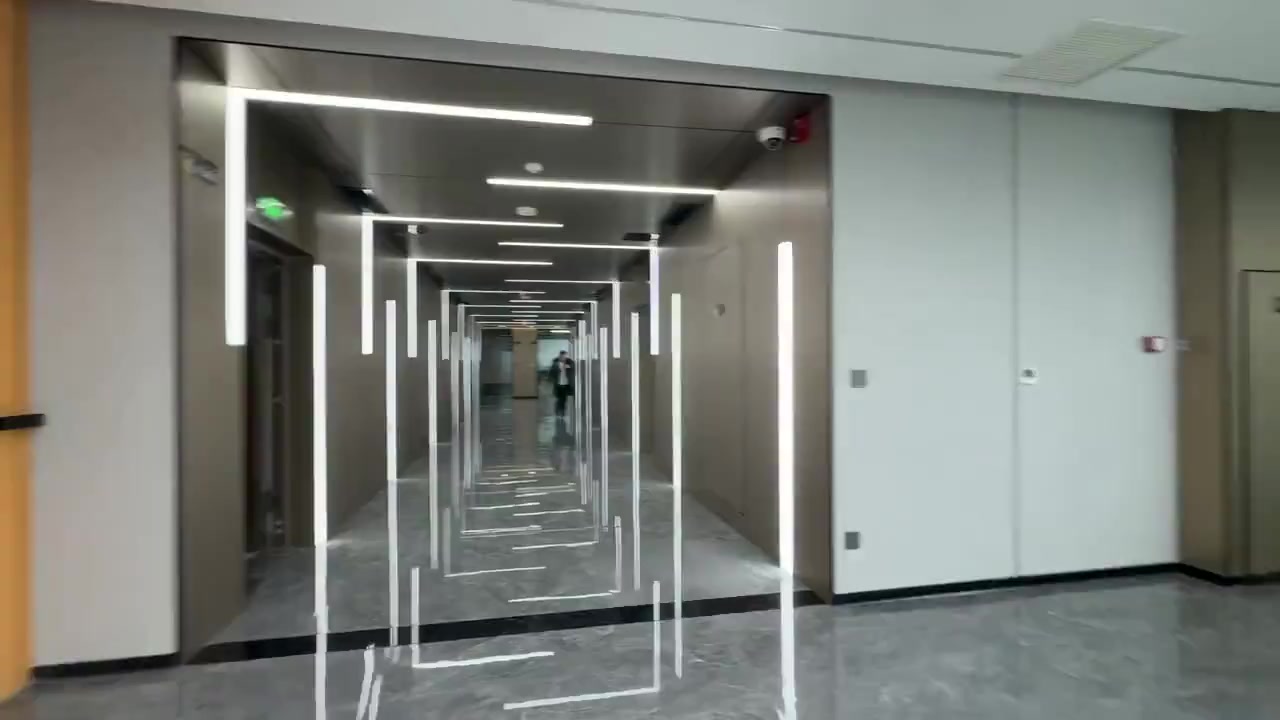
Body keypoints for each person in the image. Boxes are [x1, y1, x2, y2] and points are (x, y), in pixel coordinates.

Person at [548, 350, 575, 417]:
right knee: (559, 398)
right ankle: (558, 410)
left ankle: (562, 412)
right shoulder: (555, 362)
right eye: (562, 356)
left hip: (566, 384)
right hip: (558, 384)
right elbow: (551, 373)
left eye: (565, 356)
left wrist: (568, 366)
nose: (563, 358)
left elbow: (573, 366)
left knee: (564, 399)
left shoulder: (569, 361)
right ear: (560, 356)